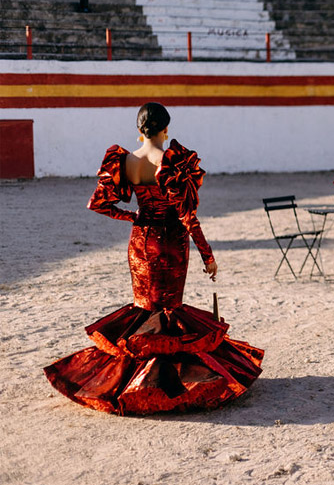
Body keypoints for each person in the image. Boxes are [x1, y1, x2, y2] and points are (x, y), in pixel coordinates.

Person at [43, 102, 263, 415]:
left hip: (140, 242)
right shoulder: (171, 163)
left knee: (144, 309)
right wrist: (208, 255)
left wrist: (132, 216)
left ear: (138, 131)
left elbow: (98, 204)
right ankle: (167, 386)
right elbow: (188, 217)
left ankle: (132, 383)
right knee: (169, 311)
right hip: (171, 242)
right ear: (166, 129)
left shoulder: (126, 160)